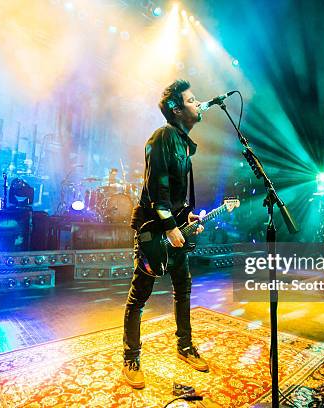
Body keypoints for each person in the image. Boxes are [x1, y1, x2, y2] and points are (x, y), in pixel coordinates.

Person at [122, 79, 208, 389]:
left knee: (183, 288)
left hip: (172, 229)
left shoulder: (183, 143)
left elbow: (174, 197)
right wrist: (171, 227)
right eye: (191, 99)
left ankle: (184, 346)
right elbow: (156, 191)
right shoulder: (162, 138)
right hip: (152, 232)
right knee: (139, 296)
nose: (198, 103)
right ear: (176, 109)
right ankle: (130, 357)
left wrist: (187, 215)